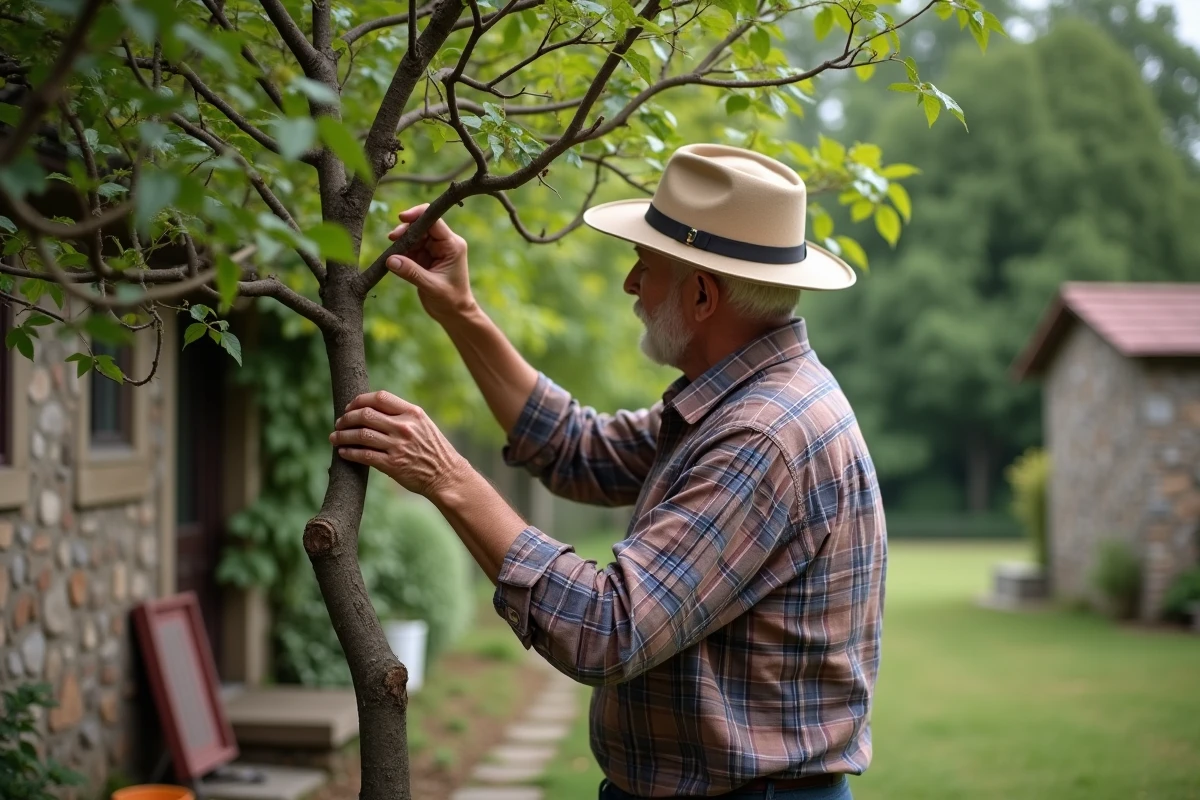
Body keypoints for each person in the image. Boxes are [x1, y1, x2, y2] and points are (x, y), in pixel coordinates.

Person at [329, 143, 887, 800]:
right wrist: (462, 311)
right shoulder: (736, 400)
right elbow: (577, 448)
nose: (630, 284)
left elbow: (607, 630)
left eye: (644, 265)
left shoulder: (763, 435)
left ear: (703, 295)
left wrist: (448, 476)